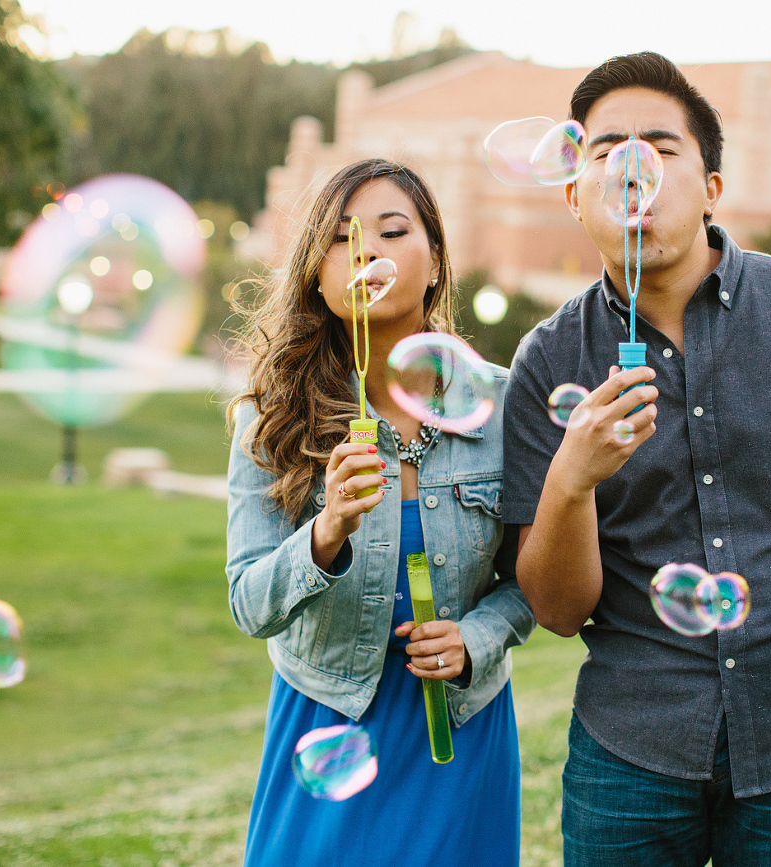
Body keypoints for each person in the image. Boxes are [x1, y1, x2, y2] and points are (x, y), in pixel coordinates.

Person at [502, 52, 771, 865]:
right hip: (630, 750)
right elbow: (557, 610)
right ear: (572, 193)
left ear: (710, 187)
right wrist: (571, 480)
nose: (633, 171)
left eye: (661, 149)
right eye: (605, 153)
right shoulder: (547, 360)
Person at [226, 158, 533, 867]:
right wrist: (326, 528)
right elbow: (247, 603)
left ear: (434, 263)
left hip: (459, 728)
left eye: (393, 230)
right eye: (341, 239)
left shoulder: (504, 405)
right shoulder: (273, 419)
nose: (366, 251)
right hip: (327, 722)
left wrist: (476, 638)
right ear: (316, 275)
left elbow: (534, 580)